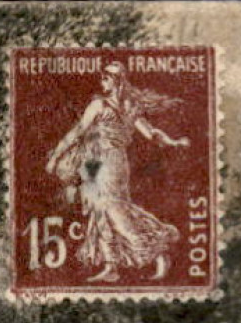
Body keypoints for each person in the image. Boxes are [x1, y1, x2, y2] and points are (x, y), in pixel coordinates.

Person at [45, 61, 190, 284]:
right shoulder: (126, 106)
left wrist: (55, 157)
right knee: (97, 210)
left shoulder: (103, 106)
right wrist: (172, 141)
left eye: (107, 77)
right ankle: (111, 265)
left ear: (118, 82)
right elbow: (151, 133)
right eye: (102, 76)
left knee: (113, 208)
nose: (102, 80)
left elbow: (78, 132)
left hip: (108, 161)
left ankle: (156, 249)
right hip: (95, 162)